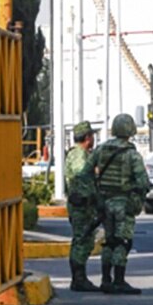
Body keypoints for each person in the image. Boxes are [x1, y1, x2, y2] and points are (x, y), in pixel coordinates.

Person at [86, 113, 150, 295]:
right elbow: (143, 181)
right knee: (123, 241)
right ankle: (119, 281)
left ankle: (106, 280)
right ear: (130, 130)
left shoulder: (100, 150)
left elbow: (86, 172)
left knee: (109, 241)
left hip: (104, 203)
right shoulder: (132, 155)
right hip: (123, 203)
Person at [65, 121, 100, 292]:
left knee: (84, 241)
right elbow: (80, 174)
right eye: (92, 135)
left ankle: (80, 277)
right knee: (81, 241)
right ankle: (78, 279)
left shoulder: (78, 153)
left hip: (82, 204)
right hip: (82, 205)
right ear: (87, 137)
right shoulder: (79, 155)